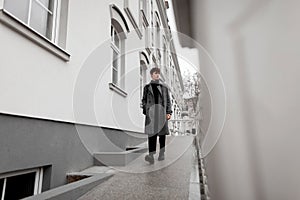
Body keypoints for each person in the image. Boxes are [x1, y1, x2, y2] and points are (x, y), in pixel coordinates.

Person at [142, 67, 172, 164]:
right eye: (155, 73)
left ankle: (162, 153)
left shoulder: (164, 87)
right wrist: (146, 109)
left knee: (162, 134)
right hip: (151, 113)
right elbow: (144, 100)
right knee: (152, 134)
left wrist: (169, 112)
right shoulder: (147, 87)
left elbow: (168, 101)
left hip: (161, 113)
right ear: (151, 75)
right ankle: (151, 155)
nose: (157, 75)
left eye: (158, 73)